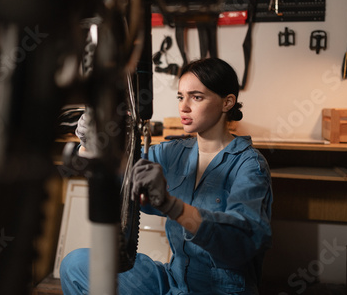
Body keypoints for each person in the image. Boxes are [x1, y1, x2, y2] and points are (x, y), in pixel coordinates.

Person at [60, 57, 273, 294]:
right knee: (76, 265)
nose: (184, 107)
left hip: (221, 289)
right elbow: (120, 173)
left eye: (197, 97)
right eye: (181, 96)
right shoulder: (172, 152)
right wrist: (91, 143)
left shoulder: (249, 165)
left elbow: (243, 242)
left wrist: (172, 206)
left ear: (227, 102)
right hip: (175, 281)